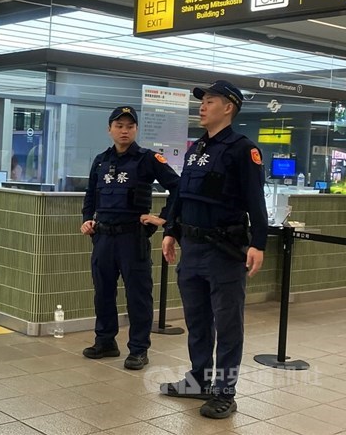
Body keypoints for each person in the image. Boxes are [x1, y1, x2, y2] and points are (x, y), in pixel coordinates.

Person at [159, 80, 268, 419]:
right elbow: (181, 195)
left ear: (229, 107)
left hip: (224, 250)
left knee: (228, 324)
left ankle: (225, 392)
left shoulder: (242, 149)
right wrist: (171, 231)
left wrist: (259, 244)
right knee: (198, 320)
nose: (202, 106)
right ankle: (200, 380)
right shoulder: (196, 149)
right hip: (191, 248)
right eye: (202, 101)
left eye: (210, 100)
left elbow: (255, 200)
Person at [80, 106, 179, 370]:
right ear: (109, 129)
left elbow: (178, 187)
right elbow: (91, 195)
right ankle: (105, 341)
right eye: (119, 125)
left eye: (129, 126)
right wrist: (87, 219)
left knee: (138, 295)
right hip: (102, 237)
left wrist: (164, 217)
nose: (124, 131)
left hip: (132, 238)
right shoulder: (101, 160)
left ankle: (138, 349)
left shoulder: (147, 159)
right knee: (103, 292)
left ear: (136, 130)